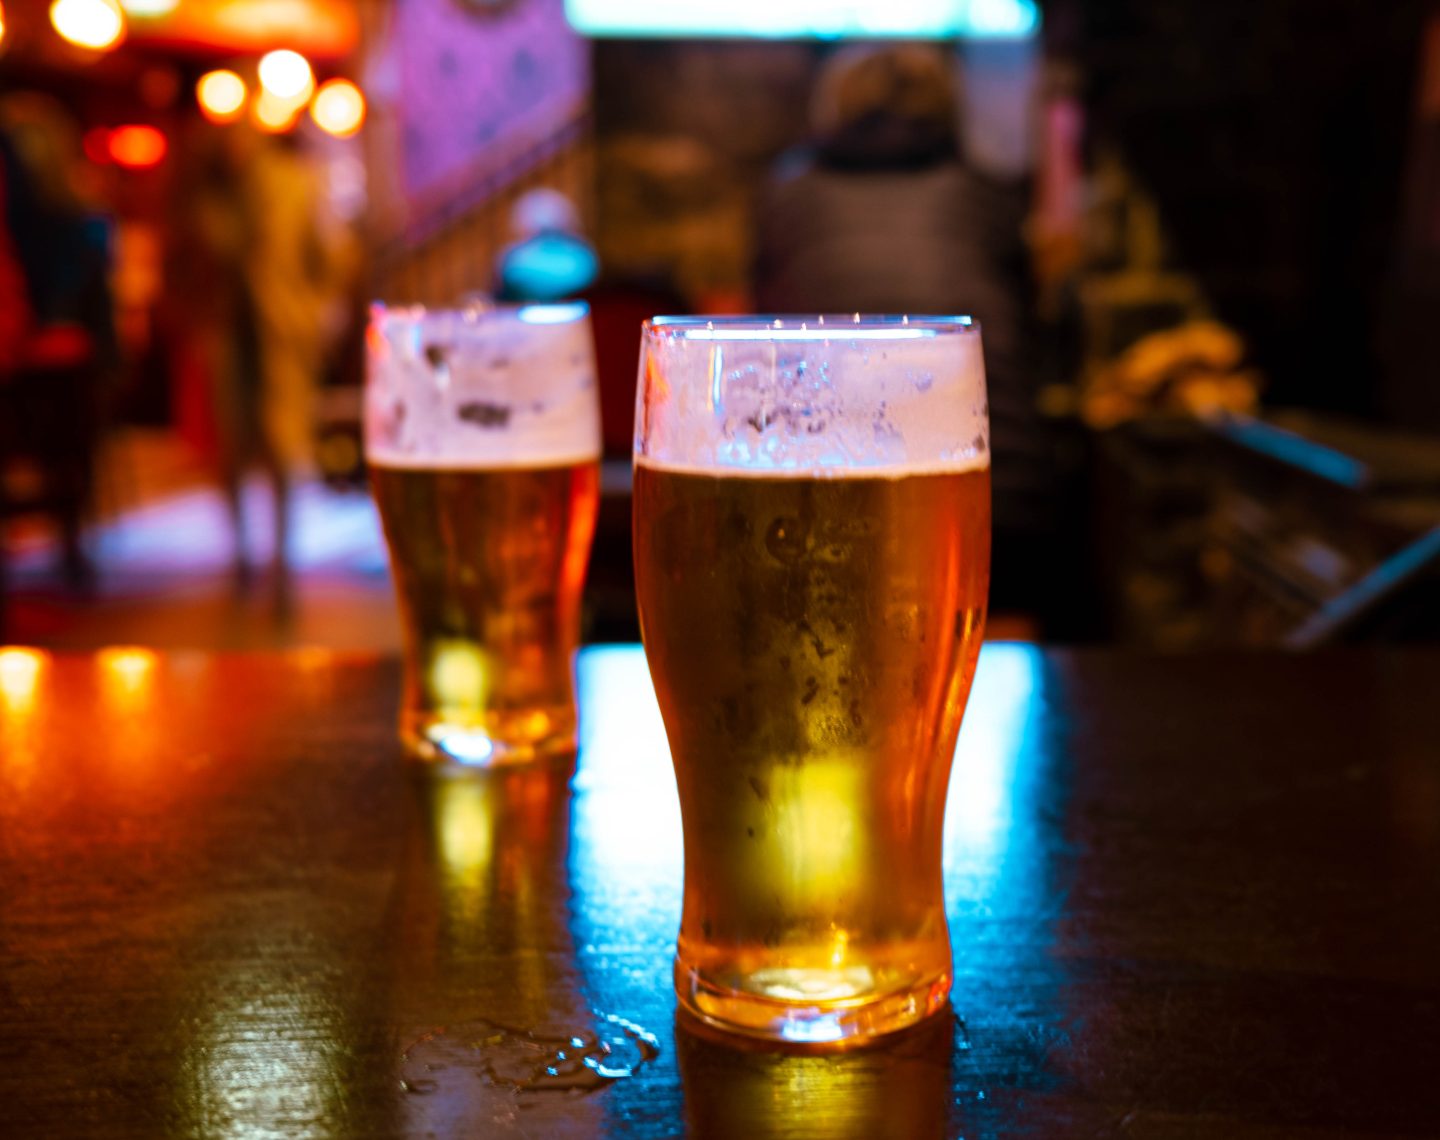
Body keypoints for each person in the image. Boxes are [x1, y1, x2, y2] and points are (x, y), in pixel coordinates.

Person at [754, 44, 1054, 622]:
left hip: (829, 499)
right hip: (1001, 505)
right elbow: (1030, 338)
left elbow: (767, 344)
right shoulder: (985, 193)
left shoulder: (786, 196)